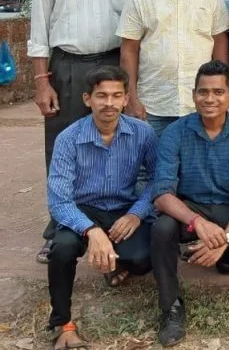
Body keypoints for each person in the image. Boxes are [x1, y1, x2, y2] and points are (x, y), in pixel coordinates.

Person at [29, 0, 144, 264]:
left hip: (113, 63)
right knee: (61, 145)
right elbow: (38, 32)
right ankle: (60, 227)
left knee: (119, 143)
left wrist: (133, 87)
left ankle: (116, 224)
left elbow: (137, 29)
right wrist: (42, 83)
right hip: (67, 67)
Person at [149, 60, 229, 347]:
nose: (210, 99)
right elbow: (162, 193)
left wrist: (225, 239)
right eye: (203, 92)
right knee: (162, 228)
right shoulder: (174, 133)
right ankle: (171, 307)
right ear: (194, 95)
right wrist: (197, 222)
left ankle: (219, 254)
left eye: (218, 92)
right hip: (190, 208)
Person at [46, 66, 156, 350]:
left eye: (116, 96)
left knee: (143, 259)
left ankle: (116, 263)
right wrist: (92, 230)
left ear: (126, 98)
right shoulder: (68, 138)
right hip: (83, 210)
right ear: (87, 99)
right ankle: (62, 323)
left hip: (123, 209)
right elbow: (59, 201)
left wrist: (136, 213)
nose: (109, 103)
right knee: (61, 249)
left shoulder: (143, 133)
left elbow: (159, 181)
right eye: (101, 96)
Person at [118, 0, 229, 137]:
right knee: (150, 159)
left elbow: (219, 41)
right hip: (152, 105)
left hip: (201, 103)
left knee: (198, 159)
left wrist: (220, 92)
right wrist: (131, 98)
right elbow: (129, 51)